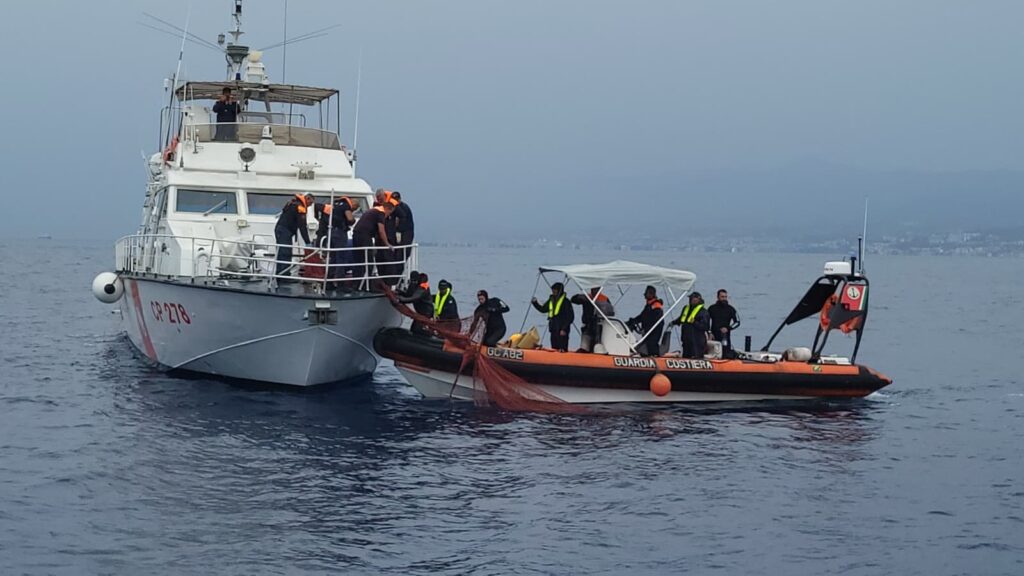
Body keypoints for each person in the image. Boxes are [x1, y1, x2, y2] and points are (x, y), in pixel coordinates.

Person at [350, 199, 394, 288]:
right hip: (364, 236)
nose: (388, 215)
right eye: (389, 213)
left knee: (359, 261)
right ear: (388, 209)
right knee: (369, 261)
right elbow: (381, 230)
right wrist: (387, 244)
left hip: (356, 235)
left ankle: (356, 284)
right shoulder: (380, 212)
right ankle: (369, 286)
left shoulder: (373, 210)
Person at [274, 193, 314, 276]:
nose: (310, 205)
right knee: (285, 252)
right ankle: (284, 276)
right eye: (310, 203)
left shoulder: (292, 204)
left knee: (282, 252)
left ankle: (279, 273)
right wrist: (307, 242)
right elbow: (302, 226)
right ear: (308, 198)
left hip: (281, 230)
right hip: (285, 231)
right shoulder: (300, 208)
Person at [319, 196, 356, 284]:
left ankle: (329, 281)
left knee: (333, 257)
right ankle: (341, 283)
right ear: (353, 204)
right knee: (341, 257)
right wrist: (352, 221)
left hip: (331, 232)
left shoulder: (336, 204)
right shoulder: (346, 206)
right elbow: (350, 219)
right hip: (339, 233)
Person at [531, 282, 574, 352]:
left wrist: (564, 329)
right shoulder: (551, 300)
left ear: (559, 290)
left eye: (555, 290)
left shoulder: (566, 302)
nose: (553, 291)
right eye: (553, 289)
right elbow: (543, 309)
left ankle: (564, 359)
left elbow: (570, 317)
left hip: (562, 329)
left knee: (562, 348)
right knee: (554, 346)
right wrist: (535, 303)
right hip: (553, 328)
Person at [571, 287, 614, 352]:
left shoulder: (604, 299)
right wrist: (580, 297)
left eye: (596, 289)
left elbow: (610, 312)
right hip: (588, 324)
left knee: (597, 342)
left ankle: (597, 351)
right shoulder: (587, 297)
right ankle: (585, 351)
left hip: (599, 325)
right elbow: (573, 299)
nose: (594, 291)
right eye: (593, 289)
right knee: (585, 343)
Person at [627, 285, 665, 357]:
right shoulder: (649, 305)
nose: (645, 295)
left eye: (646, 293)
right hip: (648, 329)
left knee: (652, 343)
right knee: (646, 343)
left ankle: (654, 356)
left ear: (651, 294)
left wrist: (647, 328)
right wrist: (634, 321)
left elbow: (656, 319)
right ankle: (644, 354)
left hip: (654, 329)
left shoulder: (656, 305)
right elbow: (642, 316)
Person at [673, 291, 711, 359]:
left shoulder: (703, 312)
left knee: (696, 355)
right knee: (686, 355)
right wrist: (674, 322)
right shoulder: (686, 308)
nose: (690, 300)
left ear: (698, 299)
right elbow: (682, 318)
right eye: (690, 298)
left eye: (693, 298)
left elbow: (705, 326)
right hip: (686, 339)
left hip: (697, 340)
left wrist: (694, 322)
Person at [707, 289, 741, 357]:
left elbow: (737, 322)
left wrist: (728, 328)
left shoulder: (731, 309)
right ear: (718, 297)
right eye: (722, 297)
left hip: (725, 335)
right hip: (714, 335)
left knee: (726, 352)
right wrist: (709, 332)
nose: (724, 299)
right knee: (714, 352)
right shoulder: (712, 308)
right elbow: (706, 321)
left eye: (725, 297)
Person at [398, 271, 433, 335]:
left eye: (414, 281)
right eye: (412, 280)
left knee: (417, 329)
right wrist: (400, 292)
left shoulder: (423, 287)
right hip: (419, 311)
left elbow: (414, 297)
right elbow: (409, 295)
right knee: (414, 328)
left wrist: (401, 300)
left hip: (426, 312)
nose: (413, 282)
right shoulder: (413, 284)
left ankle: (429, 335)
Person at [391, 191, 415, 260]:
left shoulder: (403, 208)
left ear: (399, 199)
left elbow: (401, 220)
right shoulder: (395, 207)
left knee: (404, 251)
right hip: (399, 231)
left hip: (406, 231)